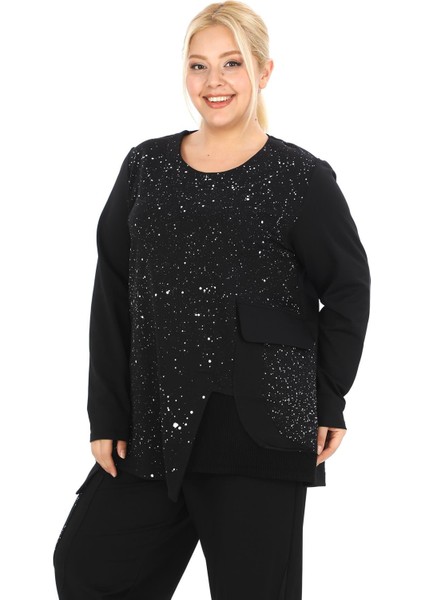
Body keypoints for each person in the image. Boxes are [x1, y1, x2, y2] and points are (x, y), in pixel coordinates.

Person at [53, 2, 371, 598]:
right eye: (198, 65)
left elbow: (348, 288)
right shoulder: (146, 165)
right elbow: (112, 287)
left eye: (232, 63)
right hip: (153, 421)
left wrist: (328, 398)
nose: (213, 81)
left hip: (261, 427)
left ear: (264, 71)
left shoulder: (301, 177)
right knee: (87, 565)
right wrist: (108, 412)